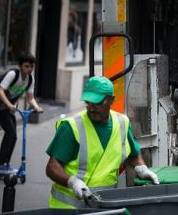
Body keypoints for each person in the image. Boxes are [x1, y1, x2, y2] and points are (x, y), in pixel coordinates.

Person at [45, 76, 159, 208]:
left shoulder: (122, 123)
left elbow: (133, 153)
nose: (92, 108)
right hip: (68, 209)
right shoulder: (71, 127)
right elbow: (52, 167)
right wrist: (73, 182)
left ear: (112, 100)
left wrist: (141, 167)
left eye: (98, 102)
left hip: (102, 207)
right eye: (88, 102)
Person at [0, 53, 43, 175]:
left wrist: (36, 106)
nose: (29, 69)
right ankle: (1, 164)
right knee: (11, 132)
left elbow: (30, 97)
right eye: (27, 66)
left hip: (9, 107)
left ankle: (4, 164)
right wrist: (9, 105)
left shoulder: (30, 79)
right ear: (20, 66)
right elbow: (0, 91)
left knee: (13, 135)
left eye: (32, 67)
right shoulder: (13, 74)